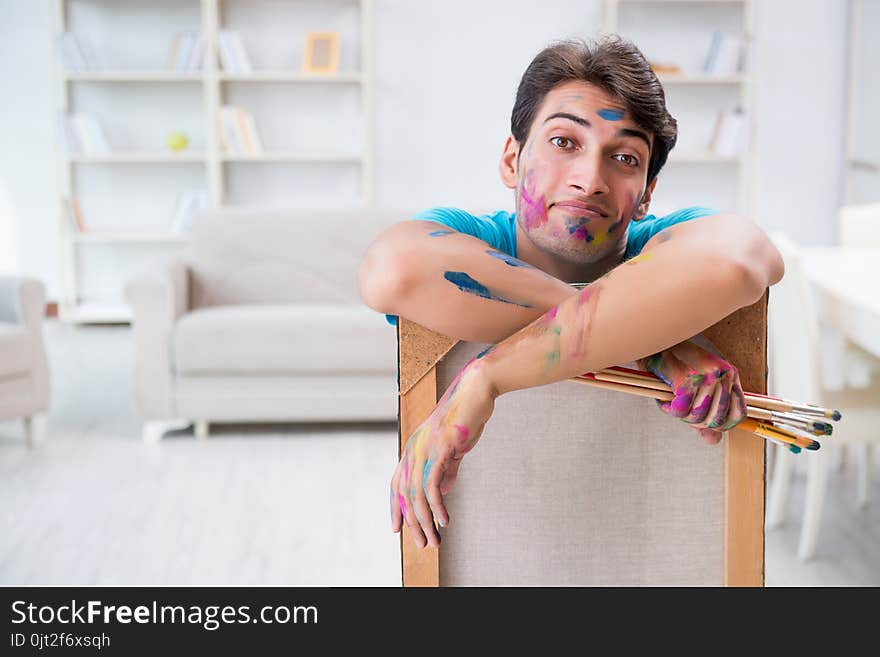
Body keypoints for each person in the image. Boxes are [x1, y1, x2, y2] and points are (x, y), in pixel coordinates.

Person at [357, 35, 784, 550]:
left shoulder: (666, 247)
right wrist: (655, 345)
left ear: (647, 192)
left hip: (657, 544)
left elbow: (740, 260)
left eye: (624, 158)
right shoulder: (470, 240)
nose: (590, 179)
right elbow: (391, 272)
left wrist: (488, 374)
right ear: (512, 161)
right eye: (564, 143)